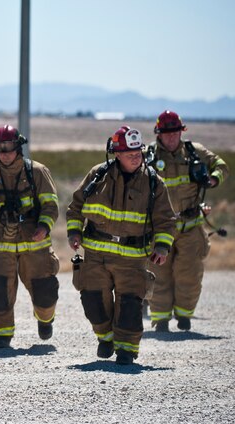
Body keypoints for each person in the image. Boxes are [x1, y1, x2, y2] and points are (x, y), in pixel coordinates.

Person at [66, 126, 176, 365]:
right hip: (96, 254)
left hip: (132, 257)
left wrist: (162, 247)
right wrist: (74, 231)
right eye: (129, 153)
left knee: (129, 306)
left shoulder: (154, 184)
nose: (136, 157)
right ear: (116, 153)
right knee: (94, 302)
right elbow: (75, 207)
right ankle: (105, 338)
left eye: (138, 152)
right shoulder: (98, 176)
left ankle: (126, 351)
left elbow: (166, 220)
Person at [0, 125, 60, 348]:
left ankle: (45, 320)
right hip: (1, 247)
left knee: (45, 294)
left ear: (18, 147)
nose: (5, 153)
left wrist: (44, 227)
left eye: (9, 147)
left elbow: (51, 205)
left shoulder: (37, 172)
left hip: (35, 246)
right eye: (0, 148)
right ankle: (1, 336)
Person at [145, 111, 229, 332]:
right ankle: (161, 320)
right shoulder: (148, 155)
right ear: (158, 134)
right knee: (158, 274)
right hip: (160, 228)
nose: (171, 137)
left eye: (175, 132)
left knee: (189, 274)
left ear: (181, 132)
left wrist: (213, 179)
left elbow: (222, 165)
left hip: (191, 226)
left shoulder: (195, 152)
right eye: (166, 133)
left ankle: (184, 317)